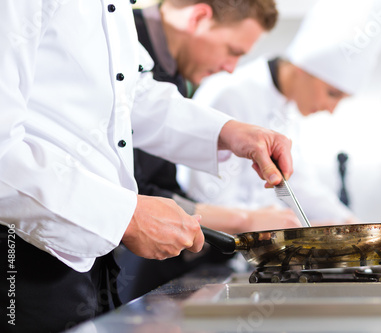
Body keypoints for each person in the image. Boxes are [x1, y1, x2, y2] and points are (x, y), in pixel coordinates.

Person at [0, 1, 293, 332]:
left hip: (85, 259)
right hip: (18, 250)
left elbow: (129, 94)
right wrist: (126, 215)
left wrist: (227, 131)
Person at [115, 0, 301, 303]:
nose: (230, 68)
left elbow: (161, 184)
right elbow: (136, 193)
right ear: (199, 16)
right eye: (233, 51)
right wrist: (243, 220)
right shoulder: (125, 38)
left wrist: (231, 132)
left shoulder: (169, 68)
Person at [182, 0, 381, 224]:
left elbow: (300, 182)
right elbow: (208, 203)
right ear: (303, 69)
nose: (331, 109)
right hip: (205, 253)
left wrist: (351, 224)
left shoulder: (287, 107)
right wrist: (286, 225)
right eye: (332, 93)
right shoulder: (229, 95)